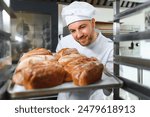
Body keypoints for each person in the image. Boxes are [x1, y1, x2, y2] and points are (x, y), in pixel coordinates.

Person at [56, 1, 114, 100]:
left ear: (92, 23)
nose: (79, 35)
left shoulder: (109, 47)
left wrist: (102, 72)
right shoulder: (64, 42)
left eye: (82, 27)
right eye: (73, 31)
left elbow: (111, 88)